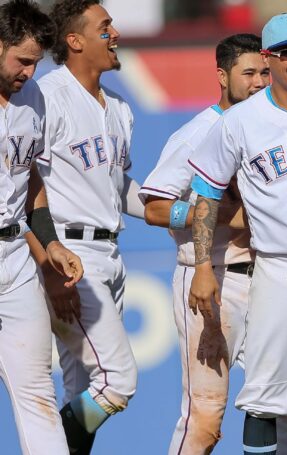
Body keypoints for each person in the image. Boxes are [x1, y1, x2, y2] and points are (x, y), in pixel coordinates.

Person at [187, 13, 287, 455]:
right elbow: (207, 195)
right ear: (269, 59)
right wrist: (201, 266)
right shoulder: (239, 121)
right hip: (279, 264)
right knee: (265, 394)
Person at [140, 33, 270, 454]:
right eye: (248, 73)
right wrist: (213, 216)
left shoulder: (275, 127)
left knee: (279, 405)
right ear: (221, 75)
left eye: (264, 72)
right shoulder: (200, 131)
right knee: (205, 415)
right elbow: (156, 208)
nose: (259, 82)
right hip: (213, 280)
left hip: (268, 279)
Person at [36, 1, 146, 453]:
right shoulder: (47, 97)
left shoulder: (119, 107)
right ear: (74, 40)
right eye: (105, 27)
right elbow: (24, 188)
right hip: (69, 257)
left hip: (111, 254)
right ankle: (45, 446)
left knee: (82, 389)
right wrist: (47, 264)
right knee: (118, 382)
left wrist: (181, 212)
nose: (115, 33)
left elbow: (119, 188)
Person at [0, 1, 84, 453]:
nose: (30, 72)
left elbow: (29, 175)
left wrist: (49, 243)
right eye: (23, 60)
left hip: (14, 259)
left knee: (37, 393)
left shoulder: (32, 98)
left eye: (36, 62)